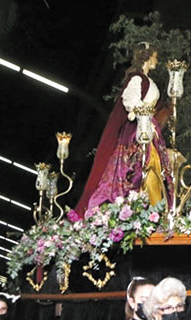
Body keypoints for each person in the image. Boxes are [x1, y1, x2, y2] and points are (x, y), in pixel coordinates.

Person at [77, 42, 173, 214]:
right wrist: (143, 115)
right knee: (136, 168)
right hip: (136, 131)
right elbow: (130, 100)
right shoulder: (137, 79)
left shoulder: (148, 81)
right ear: (148, 56)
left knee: (154, 167)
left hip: (149, 130)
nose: (157, 60)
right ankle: (130, 205)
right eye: (155, 56)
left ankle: (152, 206)